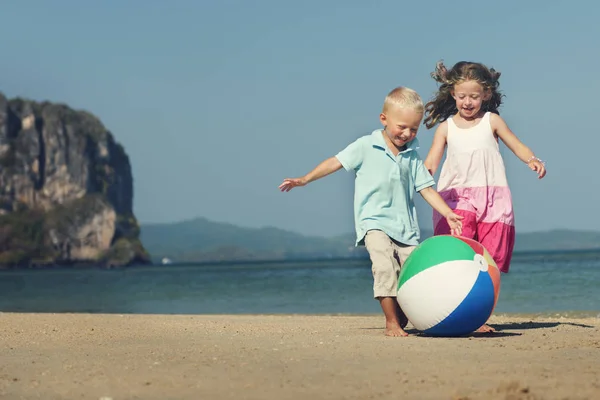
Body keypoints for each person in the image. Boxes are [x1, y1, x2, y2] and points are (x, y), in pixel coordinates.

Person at [279, 87, 463, 337]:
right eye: (402, 127)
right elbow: (335, 161)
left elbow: (426, 189)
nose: (407, 133)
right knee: (384, 267)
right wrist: (305, 179)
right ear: (383, 119)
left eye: (413, 129)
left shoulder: (412, 156)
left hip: (406, 229)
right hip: (373, 223)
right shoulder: (366, 145)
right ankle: (391, 323)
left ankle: (404, 315)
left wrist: (447, 213)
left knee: (414, 276)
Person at [422, 61, 547, 332]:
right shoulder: (446, 127)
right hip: (455, 197)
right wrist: (419, 176)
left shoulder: (492, 121)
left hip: (493, 196)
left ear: (486, 95)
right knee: (460, 253)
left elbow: (516, 144)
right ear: (452, 93)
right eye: (463, 96)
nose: (468, 102)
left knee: (486, 260)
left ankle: (478, 316)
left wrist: (532, 159)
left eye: (475, 96)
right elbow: (431, 162)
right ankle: (449, 308)